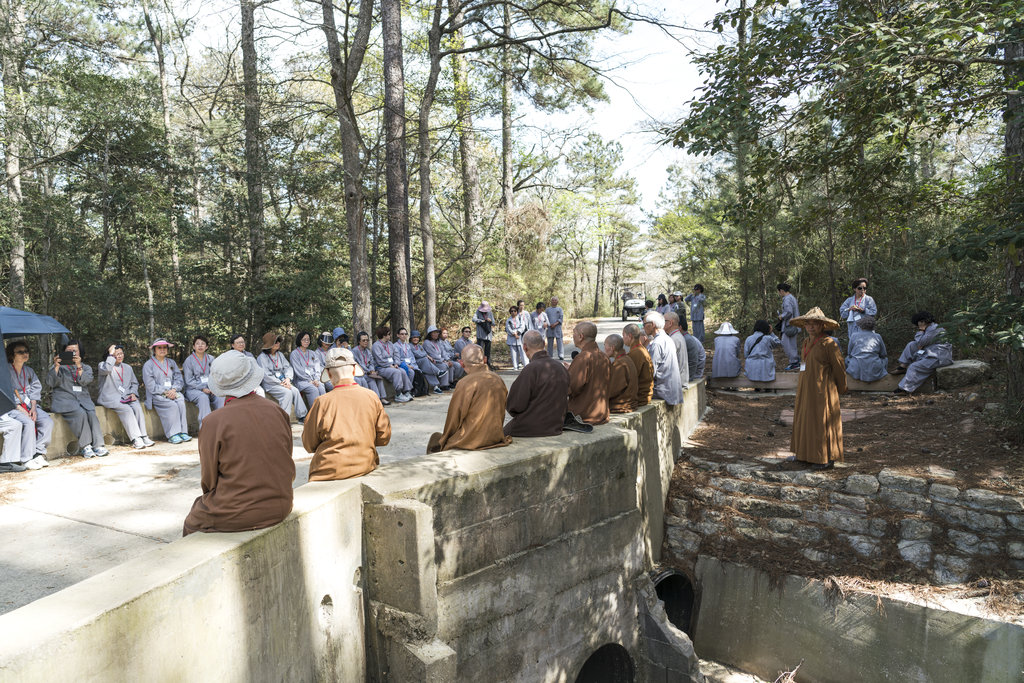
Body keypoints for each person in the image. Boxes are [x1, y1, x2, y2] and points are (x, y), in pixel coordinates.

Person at [182, 350, 295, 536]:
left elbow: (209, 480)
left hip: (239, 511)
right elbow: (286, 457)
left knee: (192, 520)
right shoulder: (277, 410)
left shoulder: (213, 422)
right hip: (282, 502)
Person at [303, 347, 392, 480]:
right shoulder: (371, 396)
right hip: (365, 465)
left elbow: (309, 444)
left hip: (328, 471)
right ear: (354, 370)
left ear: (329, 374)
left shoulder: (321, 402)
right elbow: (384, 438)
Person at [788, 307, 847, 469]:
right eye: (808, 323)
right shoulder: (806, 342)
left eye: (815, 323)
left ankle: (825, 458)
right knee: (805, 419)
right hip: (806, 388)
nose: (811, 327)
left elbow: (839, 367)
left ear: (822, 325)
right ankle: (804, 454)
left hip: (823, 390)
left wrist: (841, 387)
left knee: (821, 420)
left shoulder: (829, 344)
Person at [427, 344, 511, 452]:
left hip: (471, 441)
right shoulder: (498, 379)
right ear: (485, 360)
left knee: (436, 441)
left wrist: (445, 440)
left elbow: (454, 419)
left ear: (461, 363)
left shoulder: (465, 383)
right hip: (495, 437)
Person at [46, 339, 108, 458]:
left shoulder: (86, 367)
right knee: (80, 413)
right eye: (68, 350)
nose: (72, 353)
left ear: (80, 352)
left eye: (75, 350)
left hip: (83, 400)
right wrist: (56, 366)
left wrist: (79, 366)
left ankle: (98, 445)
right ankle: (86, 446)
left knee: (91, 414)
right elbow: (51, 383)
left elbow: (85, 381)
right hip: (64, 400)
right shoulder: (59, 367)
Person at [504, 331, 569, 437]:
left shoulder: (530, 369)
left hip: (531, 427)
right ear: (544, 344)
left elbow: (514, 406)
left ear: (525, 347)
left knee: (500, 435)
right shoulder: (560, 367)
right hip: (556, 426)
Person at [97, 343, 154, 449]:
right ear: (109, 355)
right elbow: (107, 369)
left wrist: (133, 393)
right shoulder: (103, 365)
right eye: (116, 354)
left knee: (137, 407)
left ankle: (144, 436)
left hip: (126, 397)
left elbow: (134, 383)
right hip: (110, 398)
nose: (120, 356)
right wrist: (110, 355)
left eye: (121, 353)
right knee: (127, 409)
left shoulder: (127, 367)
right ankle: (136, 439)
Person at [6, 341, 54, 466]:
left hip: (29, 405)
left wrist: (33, 408)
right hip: (12, 407)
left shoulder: (29, 371)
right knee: (28, 422)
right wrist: (21, 409)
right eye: (20, 352)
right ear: (12, 355)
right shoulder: (5, 371)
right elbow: (5, 393)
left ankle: (38, 453)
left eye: (26, 351)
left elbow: (35, 389)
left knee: (47, 421)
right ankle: (26, 458)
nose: (25, 354)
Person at [143, 338, 192, 443]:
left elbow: (178, 378)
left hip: (173, 391)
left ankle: (183, 432)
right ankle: (172, 434)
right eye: (159, 348)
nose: (162, 350)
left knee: (180, 401)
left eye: (164, 347)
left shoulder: (171, 362)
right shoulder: (148, 365)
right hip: (157, 394)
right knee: (172, 405)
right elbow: (150, 385)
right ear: (154, 350)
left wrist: (174, 389)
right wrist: (166, 392)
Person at [892, 311, 953, 395]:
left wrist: (921, 330)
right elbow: (920, 343)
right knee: (911, 345)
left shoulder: (934, 329)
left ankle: (904, 389)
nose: (917, 326)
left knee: (914, 367)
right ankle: (903, 366)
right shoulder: (930, 328)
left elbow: (921, 342)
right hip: (932, 351)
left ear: (923, 321)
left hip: (939, 357)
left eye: (918, 323)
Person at [256, 332, 308, 423]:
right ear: (270, 344)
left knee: (295, 391)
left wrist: (288, 379)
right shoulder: (262, 358)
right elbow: (266, 375)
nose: (278, 343)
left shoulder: (280, 355)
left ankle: (302, 416)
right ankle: (284, 419)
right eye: (275, 342)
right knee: (287, 393)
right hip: (271, 384)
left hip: (284, 382)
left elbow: (288, 367)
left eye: (279, 341)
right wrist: (281, 383)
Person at [567, 321, 610, 425]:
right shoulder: (604, 356)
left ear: (580, 336)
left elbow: (571, 388)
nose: (572, 336)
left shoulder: (583, 358)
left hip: (584, 415)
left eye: (574, 333)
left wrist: (566, 374)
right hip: (602, 413)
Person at [183, 335, 225, 430]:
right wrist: (202, 388)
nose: (200, 346)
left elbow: (216, 375)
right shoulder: (188, 361)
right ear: (193, 347)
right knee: (203, 397)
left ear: (206, 347)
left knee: (221, 397)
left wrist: (213, 387)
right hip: (194, 389)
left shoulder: (211, 359)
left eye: (203, 344)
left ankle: (222, 427)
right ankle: (206, 428)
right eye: (197, 344)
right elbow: (189, 381)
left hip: (210, 388)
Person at [643, 312, 683, 406]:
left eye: (644, 324)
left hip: (663, 391)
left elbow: (651, 372)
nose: (643, 327)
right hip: (672, 390)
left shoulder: (657, 343)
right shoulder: (667, 338)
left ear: (652, 324)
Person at [373, 326, 413, 403]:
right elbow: (379, 359)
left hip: (392, 366)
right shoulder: (376, 345)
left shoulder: (390, 344)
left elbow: (396, 354)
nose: (390, 336)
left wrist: (396, 363)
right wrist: (389, 365)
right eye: (389, 334)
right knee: (396, 372)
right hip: (382, 367)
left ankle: (407, 391)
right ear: (384, 335)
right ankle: (398, 394)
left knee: (403, 371)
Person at [290, 331, 327, 410]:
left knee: (321, 387)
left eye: (308, 339)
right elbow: (298, 370)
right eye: (304, 339)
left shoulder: (312, 353)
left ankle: (324, 411)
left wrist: (316, 379)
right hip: (301, 380)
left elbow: (317, 368)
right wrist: (309, 380)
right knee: (313, 389)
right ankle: (314, 413)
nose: (306, 341)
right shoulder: (294, 354)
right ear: (300, 340)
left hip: (314, 379)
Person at [845, 316, 888, 382]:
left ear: (860, 326)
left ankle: (849, 379)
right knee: (885, 359)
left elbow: (849, 353)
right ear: (873, 326)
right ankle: (882, 379)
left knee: (847, 358)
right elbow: (883, 354)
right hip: (873, 368)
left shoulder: (854, 335)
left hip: (856, 369)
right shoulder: (877, 336)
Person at [604, 334, 638, 414]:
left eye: (605, 345)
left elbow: (612, 390)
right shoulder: (626, 358)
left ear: (612, 348)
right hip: (628, 402)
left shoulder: (619, 364)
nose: (604, 348)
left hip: (621, 405)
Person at [352, 331, 389, 405]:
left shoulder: (367, 351)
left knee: (379, 378)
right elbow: (359, 364)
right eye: (363, 340)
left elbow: (371, 362)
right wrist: (369, 371)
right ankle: (377, 400)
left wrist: (372, 370)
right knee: (371, 379)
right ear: (359, 341)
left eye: (367, 340)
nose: (366, 342)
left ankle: (383, 398)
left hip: (369, 372)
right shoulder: (355, 351)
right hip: (361, 373)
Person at [622, 323, 654, 407]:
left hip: (641, 396)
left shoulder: (637, 352)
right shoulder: (640, 349)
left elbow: (630, 378)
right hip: (644, 393)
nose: (623, 338)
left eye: (623, 335)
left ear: (630, 336)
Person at [839, 278, 877, 344]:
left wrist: (863, 310)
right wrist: (849, 309)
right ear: (854, 289)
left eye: (864, 288)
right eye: (860, 288)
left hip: (866, 329)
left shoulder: (869, 299)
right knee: (855, 345)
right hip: (853, 329)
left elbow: (873, 312)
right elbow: (842, 313)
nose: (862, 290)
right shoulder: (849, 300)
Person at [393, 328, 426, 396]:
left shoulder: (407, 345)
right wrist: (407, 365)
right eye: (402, 334)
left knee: (418, 371)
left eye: (405, 334)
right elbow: (397, 358)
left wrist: (414, 366)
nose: (404, 336)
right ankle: (406, 390)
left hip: (410, 364)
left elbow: (412, 357)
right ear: (398, 335)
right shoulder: (395, 346)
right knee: (411, 372)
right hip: (402, 364)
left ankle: (411, 390)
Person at [410, 330, 444, 394]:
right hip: (415, 363)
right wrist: (426, 356)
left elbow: (424, 353)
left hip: (423, 363)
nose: (416, 339)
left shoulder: (419, 346)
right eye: (414, 337)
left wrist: (428, 356)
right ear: (411, 338)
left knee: (427, 370)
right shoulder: (410, 346)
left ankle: (435, 387)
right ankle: (438, 372)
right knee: (425, 360)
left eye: (417, 337)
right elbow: (417, 354)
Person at [777, 283, 801, 371]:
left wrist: (781, 316)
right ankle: (795, 362)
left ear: (781, 291)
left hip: (789, 326)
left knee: (785, 343)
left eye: (779, 292)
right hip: (794, 325)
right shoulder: (792, 297)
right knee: (792, 344)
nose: (779, 293)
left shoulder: (787, 299)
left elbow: (789, 311)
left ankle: (794, 362)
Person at [664, 312, 690, 387]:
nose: (662, 324)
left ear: (670, 323)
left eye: (664, 321)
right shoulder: (677, 336)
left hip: (677, 382)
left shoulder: (674, 339)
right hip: (680, 380)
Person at [422, 326, 453, 390]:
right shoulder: (427, 343)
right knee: (444, 366)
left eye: (437, 332)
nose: (436, 334)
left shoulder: (438, 341)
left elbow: (443, 352)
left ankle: (450, 382)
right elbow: (433, 355)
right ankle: (443, 385)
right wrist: (444, 361)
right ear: (430, 334)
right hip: (433, 362)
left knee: (451, 365)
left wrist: (447, 360)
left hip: (441, 360)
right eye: (434, 333)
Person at [505, 305, 527, 370]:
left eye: (514, 311)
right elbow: (508, 329)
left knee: (522, 352)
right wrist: (514, 334)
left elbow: (522, 326)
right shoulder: (508, 320)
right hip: (512, 338)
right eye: (512, 311)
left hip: (519, 337)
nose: (513, 312)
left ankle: (526, 365)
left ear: (517, 311)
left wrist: (517, 332)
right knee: (513, 353)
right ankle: (515, 366)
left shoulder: (520, 318)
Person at [546, 296, 565, 360]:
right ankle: (550, 355)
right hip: (549, 327)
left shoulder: (560, 309)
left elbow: (561, 318)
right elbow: (545, 318)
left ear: (557, 302)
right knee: (550, 342)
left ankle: (561, 354)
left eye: (555, 300)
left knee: (559, 341)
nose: (554, 301)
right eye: (553, 300)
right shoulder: (547, 309)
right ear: (551, 301)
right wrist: (549, 324)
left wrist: (555, 324)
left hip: (557, 327)